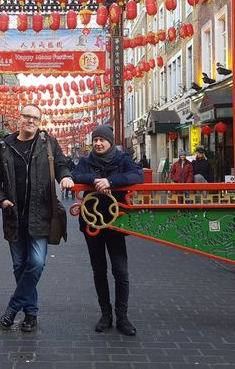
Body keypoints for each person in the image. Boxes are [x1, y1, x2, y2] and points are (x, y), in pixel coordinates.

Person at [0, 104, 74, 333]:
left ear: (39, 121)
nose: (31, 121)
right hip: (13, 215)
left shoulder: (48, 143)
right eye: (27, 116)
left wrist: (65, 177)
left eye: (35, 118)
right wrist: (0, 199)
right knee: (19, 266)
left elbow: (62, 165)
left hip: (41, 214)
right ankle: (31, 314)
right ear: (19, 118)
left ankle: (12, 308)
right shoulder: (4, 145)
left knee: (35, 263)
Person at [72, 125, 144, 335]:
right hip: (92, 222)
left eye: (102, 139)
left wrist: (110, 181)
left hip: (116, 222)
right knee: (99, 270)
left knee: (121, 271)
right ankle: (106, 315)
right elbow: (75, 175)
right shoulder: (86, 161)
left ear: (110, 142)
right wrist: (94, 180)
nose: (98, 143)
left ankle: (122, 317)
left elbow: (137, 175)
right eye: (95, 140)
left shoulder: (122, 160)